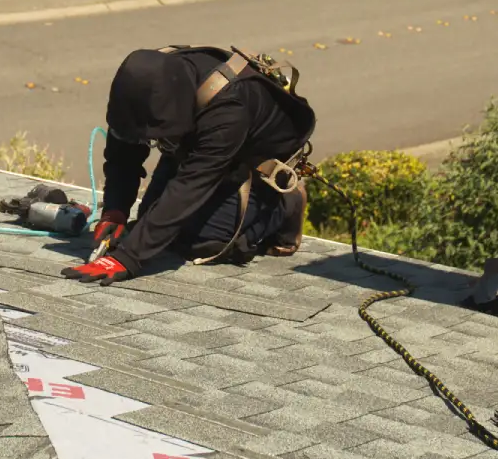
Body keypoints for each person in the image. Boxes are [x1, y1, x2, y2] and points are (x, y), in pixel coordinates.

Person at [62, 45, 315, 284]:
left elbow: (190, 187)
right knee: (149, 225)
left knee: (204, 244)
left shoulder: (228, 107)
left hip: (253, 162)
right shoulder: (141, 86)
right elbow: (123, 153)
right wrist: (115, 211)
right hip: (196, 147)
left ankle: (284, 206)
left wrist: (125, 259)